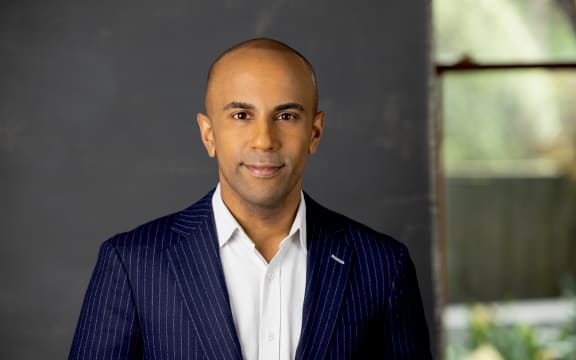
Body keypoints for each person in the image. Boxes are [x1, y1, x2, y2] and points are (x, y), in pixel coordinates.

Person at [69, 38, 432, 359]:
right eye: (241, 115)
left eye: (286, 116)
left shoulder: (383, 266)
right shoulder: (133, 265)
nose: (264, 140)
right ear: (208, 134)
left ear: (315, 132)